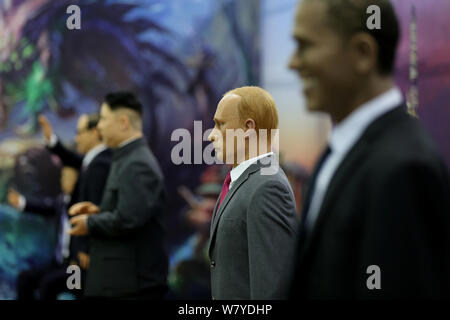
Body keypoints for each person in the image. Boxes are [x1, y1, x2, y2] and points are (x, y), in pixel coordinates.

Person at [288, 0, 450, 299]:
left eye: (305, 46)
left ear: (363, 54)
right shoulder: (343, 151)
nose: (293, 63)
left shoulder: (405, 168)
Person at [68, 92, 168, 300]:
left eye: (104, 119)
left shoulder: (137, 163)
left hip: (130, 286)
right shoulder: (125, 157)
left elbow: (128, 219)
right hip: (118, 282)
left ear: (123, 122)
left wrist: (90, 222)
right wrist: (98, 211)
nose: (100, 126)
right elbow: (129, 209)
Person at [207, 86, 299, 300]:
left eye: (220, 124)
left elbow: (271, 291)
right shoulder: (245, 182)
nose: (211, 135)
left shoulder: (267, 188)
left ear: (248, 127)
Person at [38, 113, 112, 283]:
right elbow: (71, 158)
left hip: (89, 256)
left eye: (79, 132)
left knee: (50, 285)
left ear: (95, 132)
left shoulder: (101, 163)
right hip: (79, 252)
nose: (76, 138)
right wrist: (53, 141)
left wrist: (86, 248)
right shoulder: (93, 161)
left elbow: (93, 208)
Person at [9, 167, 79, 300]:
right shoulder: (62, 201)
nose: (65, 182)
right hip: (59, 264)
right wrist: (21, 202)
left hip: (76, 270)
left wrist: (79, 258)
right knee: (25, 278)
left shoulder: (83, 204)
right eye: (63, 178)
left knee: (48, 284)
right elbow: (46, 207)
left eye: (70, 178)